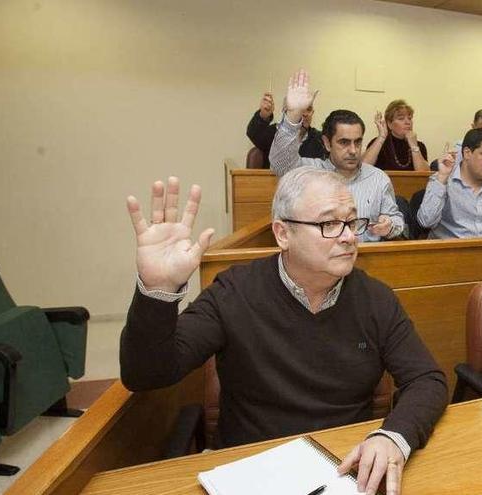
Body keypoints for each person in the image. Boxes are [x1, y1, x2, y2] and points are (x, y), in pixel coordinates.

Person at [121, 168, 448, 495]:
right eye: (329, 224)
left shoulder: (375, 299)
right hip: (251, 467)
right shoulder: (234, 291)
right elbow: (147, 374)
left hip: (342, 467)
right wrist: (157, 293)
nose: (349, 236)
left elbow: (427, 379)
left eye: (351, 222)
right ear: (283, 234)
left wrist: (393, 436)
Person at [269, 69, 404, 242]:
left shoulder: (378, 178)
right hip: (320, 264)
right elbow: (280, 164)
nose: (353, 150)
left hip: (366, 259)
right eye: (344, 142)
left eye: (358, 142)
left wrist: (389, 225)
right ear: (327, 143)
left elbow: (397, 220)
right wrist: (294, 115)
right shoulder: (309, 172)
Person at [416, 128, 482, 239]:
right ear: (467, 153)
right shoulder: (442, 179)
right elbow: (426, 222)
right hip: (448, 252)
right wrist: (442, 179)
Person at [246, 91, 327, 168]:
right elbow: (254, 133)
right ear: (286, 112)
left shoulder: (320, 140)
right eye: (299, 109)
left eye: (308, 109)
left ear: (312, 113)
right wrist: (263, 116)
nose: (305, 114)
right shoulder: (275, 133)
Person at [362, 100, 429, 171]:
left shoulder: (419, 146)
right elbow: (363, 168)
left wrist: (414, 146)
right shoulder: (379, 143)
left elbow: (424, 175)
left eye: (409, 118)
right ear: (389, 124)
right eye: (401, 118)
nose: (407, 122)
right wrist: (381, 137)